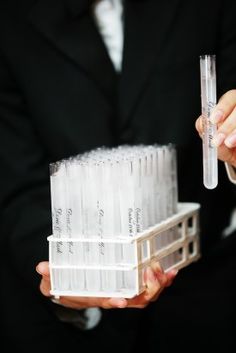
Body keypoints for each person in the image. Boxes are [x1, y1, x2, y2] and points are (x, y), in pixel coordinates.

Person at [0, 0, 236, 352]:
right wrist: (65, 279)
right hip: (62, 331)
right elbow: (17, 180)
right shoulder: (11, 19)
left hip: (209, 296)